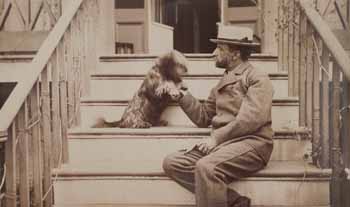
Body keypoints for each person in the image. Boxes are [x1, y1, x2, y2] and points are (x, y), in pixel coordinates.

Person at [162, 25, 274, 207]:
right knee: (173, 163)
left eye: (220, 48)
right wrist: (182, 96)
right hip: (224, 145)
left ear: (235, 54)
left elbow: (251, 120)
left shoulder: (257, 77)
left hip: (252, 144)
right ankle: (236, 202)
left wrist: (215, 138)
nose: (214, 53)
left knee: (207, 167)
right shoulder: (223, 81)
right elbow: (204, 117)